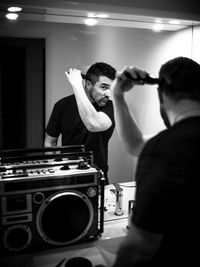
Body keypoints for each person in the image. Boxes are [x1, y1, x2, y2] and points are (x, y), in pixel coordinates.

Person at [111, 57, 200, 267]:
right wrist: (117, 96)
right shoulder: (170, 145)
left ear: (162, 96)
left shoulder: (164, 150)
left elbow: (139, 247)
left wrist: (118, 92)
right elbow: (135, 144)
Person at [44, 62, 116, 185]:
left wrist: (76, 85)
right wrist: (51, 172)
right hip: (67, 175)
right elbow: (50, 141)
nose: (108, 93)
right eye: (104, 87)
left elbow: (94, 124)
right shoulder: (62, 106)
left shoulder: (109, 107)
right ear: (88, 84)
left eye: (110, 88)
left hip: (98, 177)